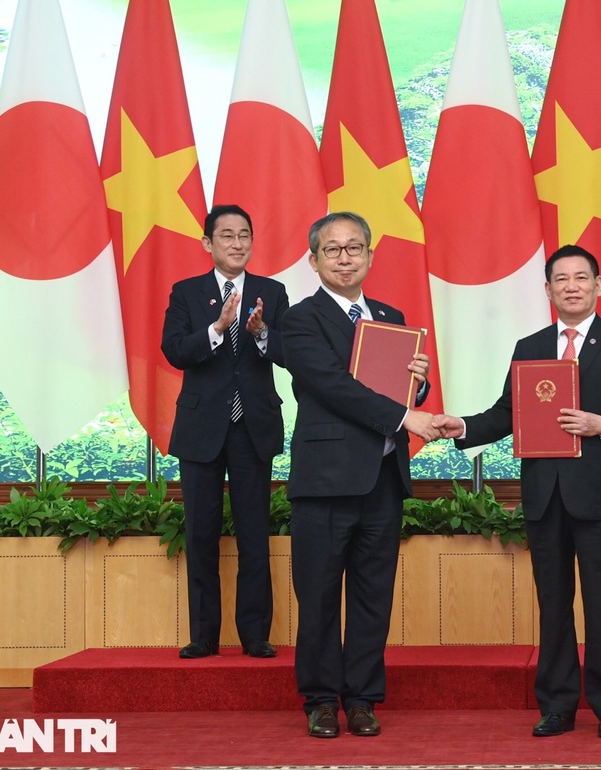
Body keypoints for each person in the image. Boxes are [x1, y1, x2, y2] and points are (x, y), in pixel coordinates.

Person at [433, 245, 601, 739]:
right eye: (561, 279)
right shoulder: (530, 346)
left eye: (582, 277)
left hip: (597, 498)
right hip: (544, 496)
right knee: (553, 603)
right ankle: (557, 704)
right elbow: (505, 413)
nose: (572, 286)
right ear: (547, 290)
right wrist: (464, 426)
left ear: (598, 285)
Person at [281, 211, 438, 740]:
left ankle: (364, 697)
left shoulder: (391, 316)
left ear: (370, 255)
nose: (345, 257)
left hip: (383, 479)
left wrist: (417, 385)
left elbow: (397, 388)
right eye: (333, 249)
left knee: (374, 596)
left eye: (354, 248)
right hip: (325, 481)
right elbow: (331, 386)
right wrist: (405, 415)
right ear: (314, 260)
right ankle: (322, 700)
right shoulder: (300, 320)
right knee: (320, 594)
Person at [161, 203, 289, 661]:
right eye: (227, 236)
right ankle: (204, 635)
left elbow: (288, 350)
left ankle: (255, 634)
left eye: (244, 236)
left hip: (252, 426)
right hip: (201, 427)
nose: (237, 244)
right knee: (200, 532)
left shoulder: (271, 292)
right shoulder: (187, 292)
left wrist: (259, 333)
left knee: (255, 531)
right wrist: (217, 328)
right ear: (208, 244)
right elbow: (174, 350)